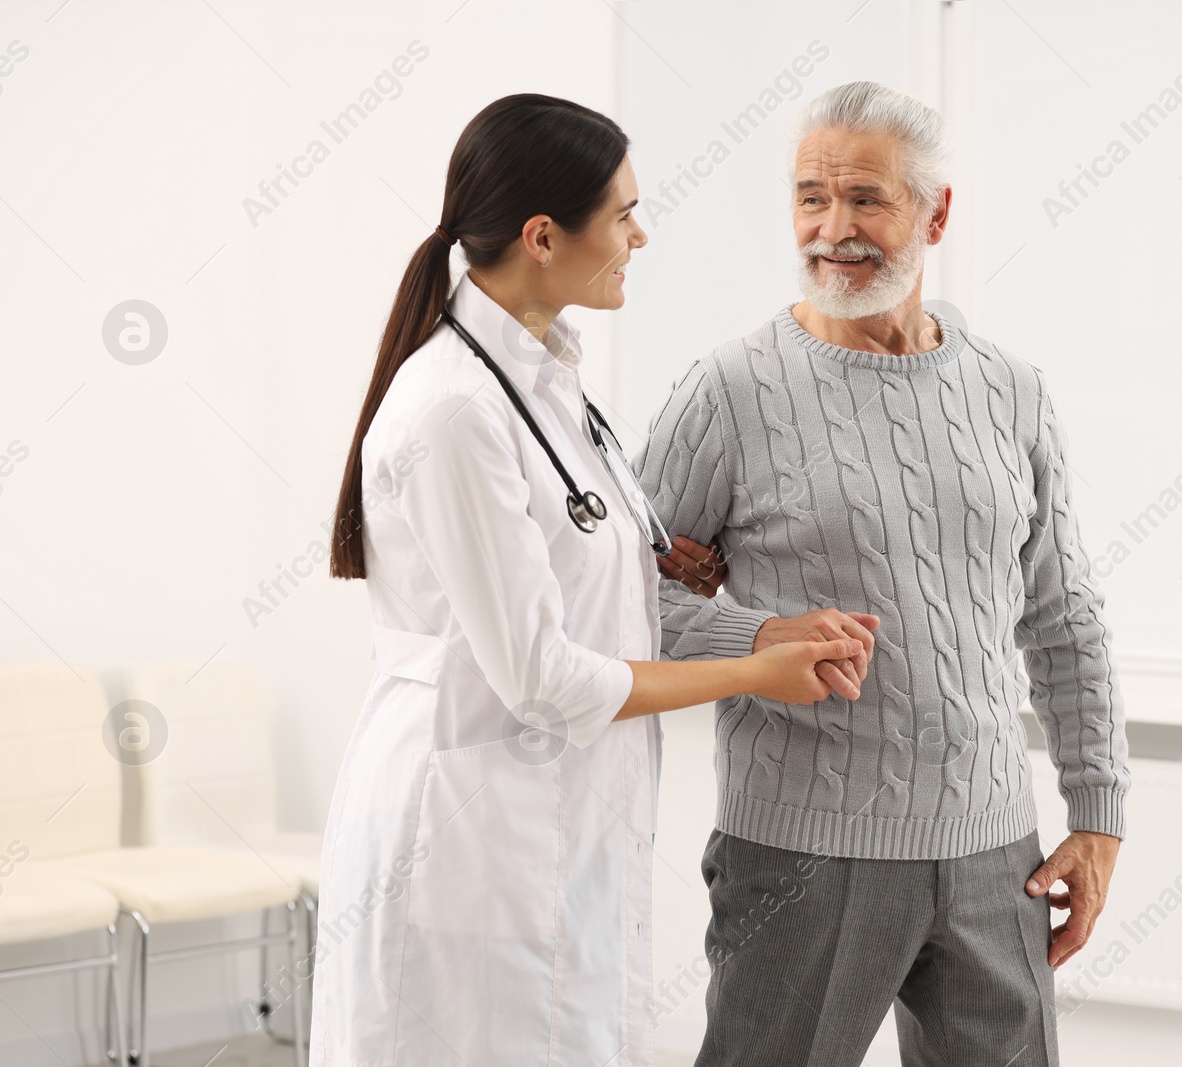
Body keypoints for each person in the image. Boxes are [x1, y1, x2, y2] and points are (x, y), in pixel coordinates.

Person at [309, 93, 869, 1067]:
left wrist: (758, 631)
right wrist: (752, 676)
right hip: (468, 839)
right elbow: (544, 676)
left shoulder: (544, 388)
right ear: (540, 235)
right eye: (621, 215)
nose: (638, 235)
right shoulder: (453, 410)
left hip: (555, 830)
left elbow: (608, 590)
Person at [635, 81, 1132, 1067]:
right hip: (800, 853)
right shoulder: (727, 392)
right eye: (810, 197)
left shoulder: (1013, 392)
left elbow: (1064, 614)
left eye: (865, 198)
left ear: (935, 212)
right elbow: (625, 604)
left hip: (997, 850)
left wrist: (1096, 811)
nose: (833, 228)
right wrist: (760, 637)